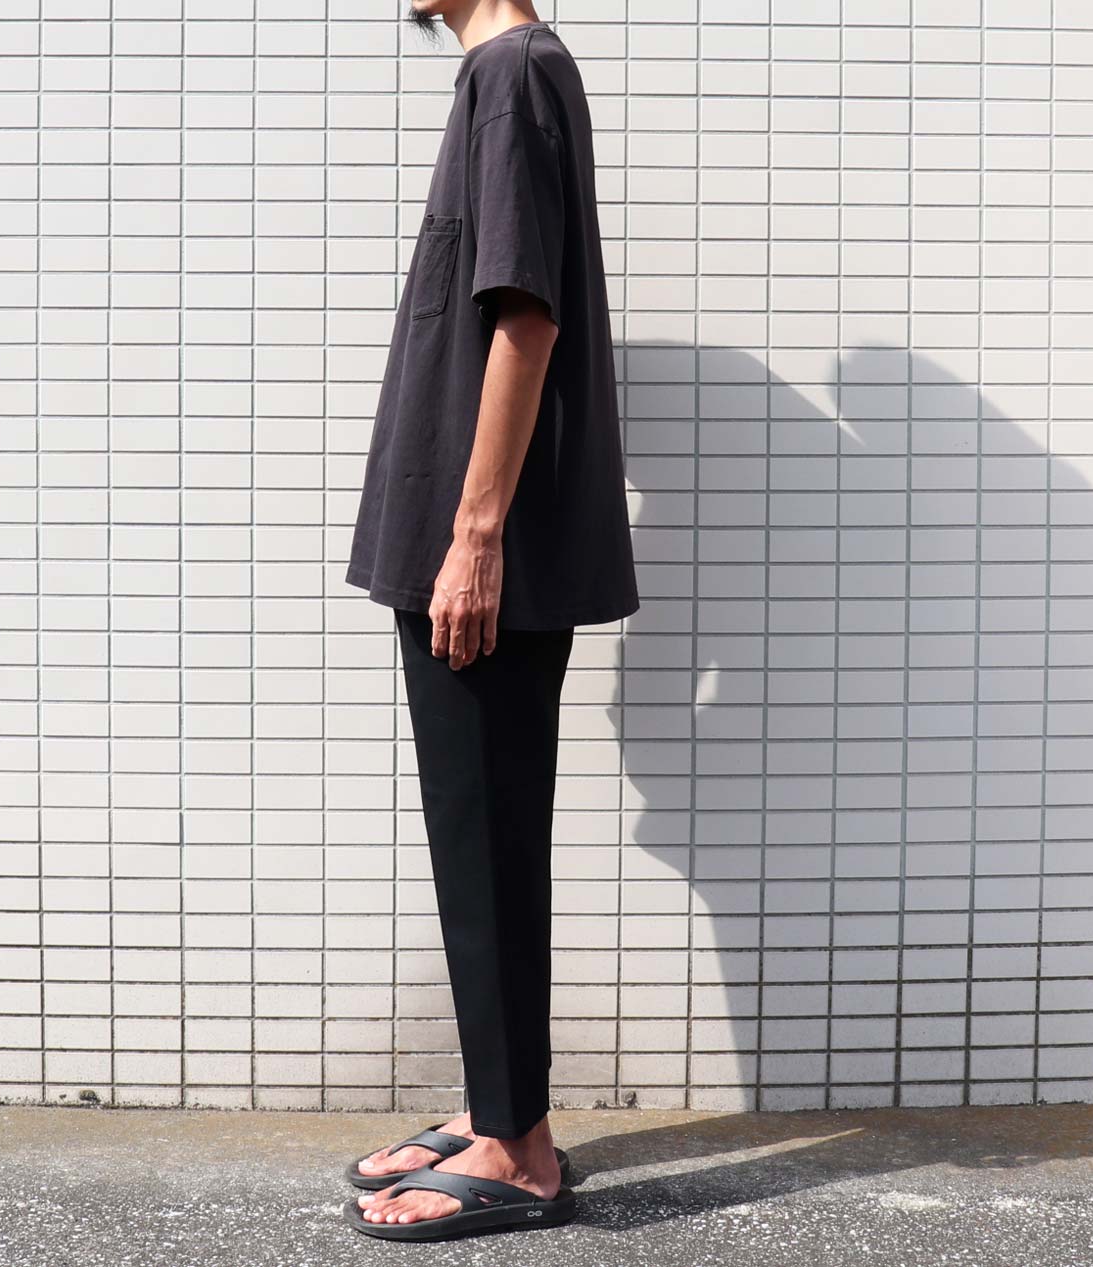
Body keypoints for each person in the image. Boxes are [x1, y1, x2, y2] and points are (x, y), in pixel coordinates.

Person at [341, 0, 639, 1241]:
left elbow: (527, 315)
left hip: (479, 553)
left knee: (488, 839)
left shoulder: (512, 73)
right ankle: (496, 1107)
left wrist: (474, 537)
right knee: (479, 835)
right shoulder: (513, 74)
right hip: (467, 541)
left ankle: (518, 1151)